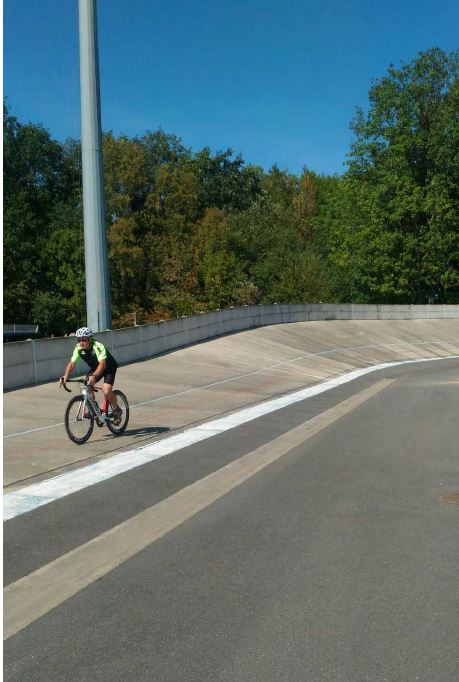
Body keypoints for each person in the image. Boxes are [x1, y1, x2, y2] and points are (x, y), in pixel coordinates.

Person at [60, 327, 122, 422]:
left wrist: (94, 376)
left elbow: (102, 364)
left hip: (108, 367)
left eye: (84, 340)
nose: (81, 342)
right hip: (95, 368)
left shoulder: (97, 346)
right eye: (79, 340)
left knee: (106, 390)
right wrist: (65, 376)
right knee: (87, 385)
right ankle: (95, 409)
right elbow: (72, 363)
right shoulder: (78, 348)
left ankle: (117, 409)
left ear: (90, 339)